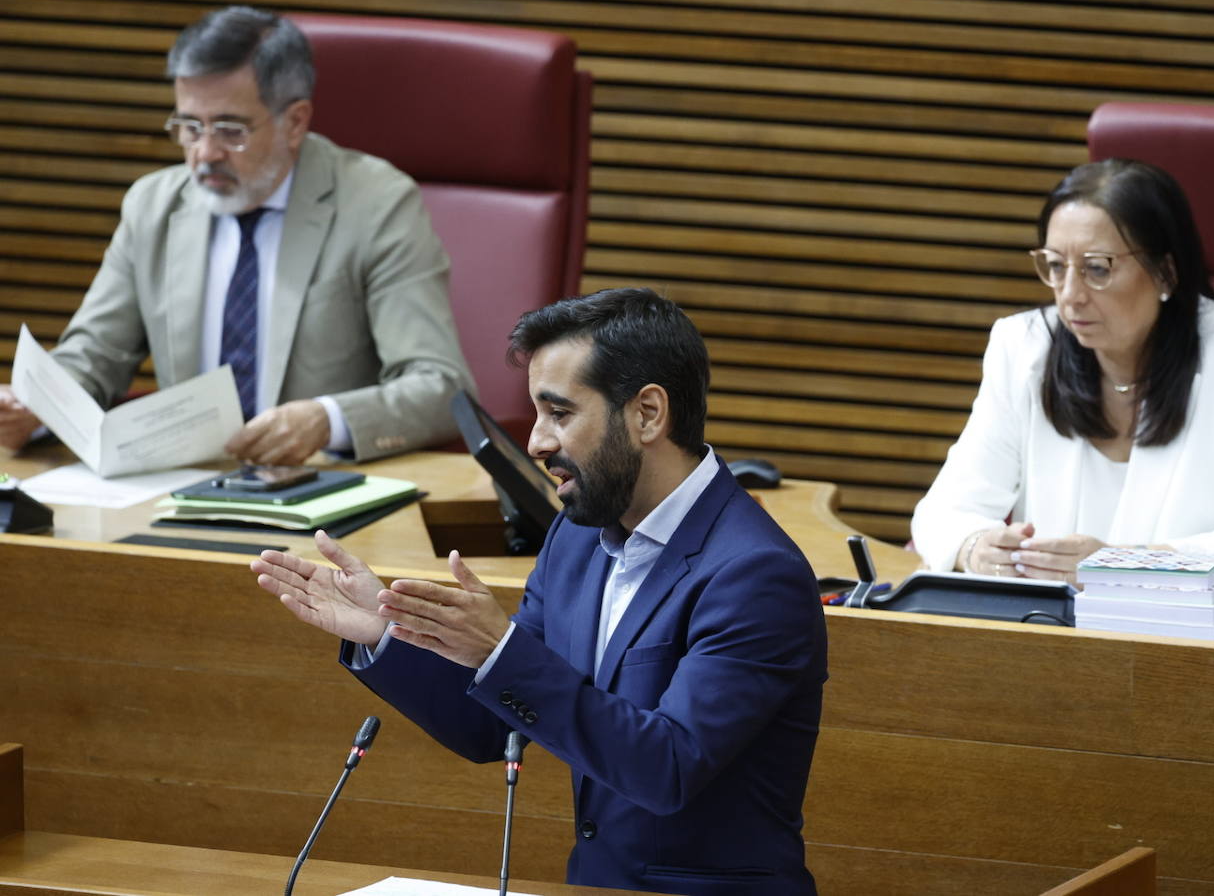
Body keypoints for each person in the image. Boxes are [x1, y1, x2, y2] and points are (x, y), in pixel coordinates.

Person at [251, 288, 827, 895]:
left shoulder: (755, 574)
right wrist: (389, 634)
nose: (535, 442)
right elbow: (495, 724)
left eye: (559, 413)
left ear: (648, 414)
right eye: (535, 414)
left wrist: (499, 651)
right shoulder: (576, 539)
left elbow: (668, 767)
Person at [0, 6, 473, 463]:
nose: (204, 154)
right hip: (182, 488)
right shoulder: (153, 206)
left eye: (229, 129)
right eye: (189, 127)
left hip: (325, 492)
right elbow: (94, 356)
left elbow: (440, 384)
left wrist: (328, 420)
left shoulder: (376, 204)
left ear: (295, 122)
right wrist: (34, 409)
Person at [911, 158, 1214, 586]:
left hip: (1186, 643)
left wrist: (1121, 564)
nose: (1070, 296)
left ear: (1166, 272)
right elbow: (940, 514)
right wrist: (975, 549)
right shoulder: (1024, 346)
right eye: (1056, 266)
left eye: (1097, 268)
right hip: (1047, 635)